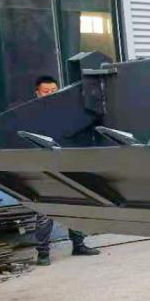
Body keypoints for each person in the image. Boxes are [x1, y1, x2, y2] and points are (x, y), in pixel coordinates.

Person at [31, 76, 101, 266]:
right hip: (45, 169)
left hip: (69, 164)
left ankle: (79, 244)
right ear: (37, 93)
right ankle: (43, 253)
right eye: (47, 91)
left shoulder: (67, 112)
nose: (52, 94)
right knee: (46, 210)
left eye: (55, 90)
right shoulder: (31, 115)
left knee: (76, 206)